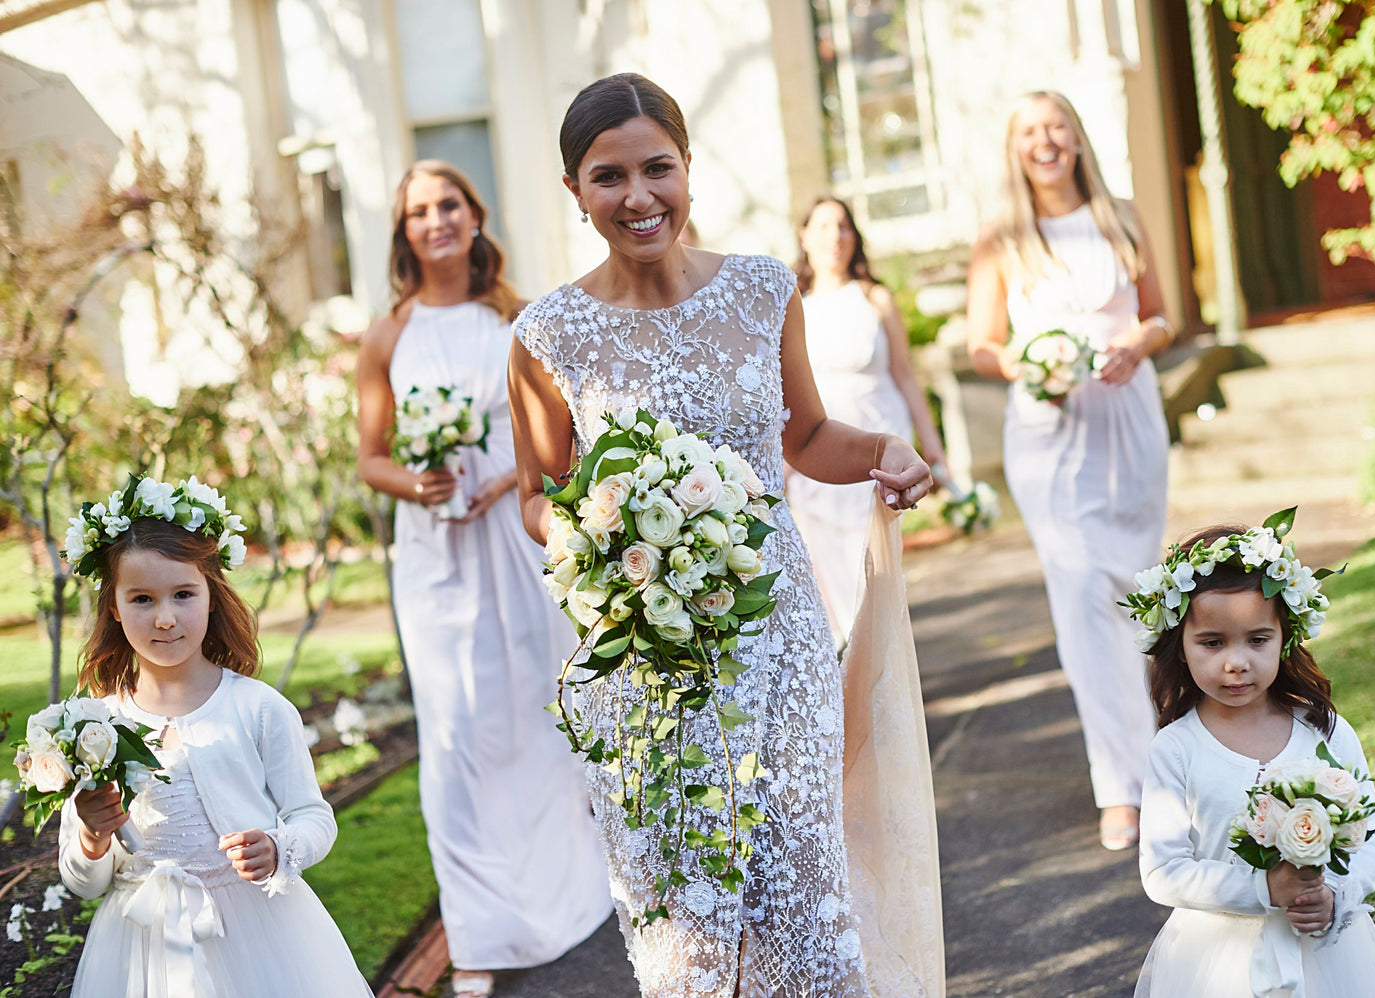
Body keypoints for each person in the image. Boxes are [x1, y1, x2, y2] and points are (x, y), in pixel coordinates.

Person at [508, 73, 938, 997]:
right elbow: (537, 497)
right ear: (577, 192)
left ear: (688, 168)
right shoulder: (548, 335)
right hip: (640, 654)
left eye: (657, 168)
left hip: (773, 635)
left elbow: (808, 438)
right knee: (687, 910)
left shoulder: (760, 291)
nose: (638, 197)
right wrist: (607, 535)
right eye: (608, 176)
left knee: (801, 880)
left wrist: (886, 451)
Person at [355, 161, 611, 996]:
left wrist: (512, 477)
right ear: (405, 231)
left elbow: (562, 434)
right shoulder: (386, 336)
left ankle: (579, 888)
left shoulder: (522, 318)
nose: (436, 221)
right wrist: (417, 482)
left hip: (513, 536)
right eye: (419, 211)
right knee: (457, 736)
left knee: (543, 710)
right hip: (434, 558)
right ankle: (477, 932)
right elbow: (370, 459)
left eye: (449, 205)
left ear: (475, 215)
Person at [57, 476, 372, 997]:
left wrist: (278, 846)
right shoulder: (95, 729)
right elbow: (84, 884)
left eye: (183, 594)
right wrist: (92, 835)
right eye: (141, 598)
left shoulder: (258, 708)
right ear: (113, 605)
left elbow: (314, 817)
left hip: (258, 931)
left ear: (211, 595)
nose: (164, 618)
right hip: (143, 944)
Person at [966, 89, 1173, 850]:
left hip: (1128, 423)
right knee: (1082, 591)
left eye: (1055, 126)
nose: (1045, 141)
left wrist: (1136, 346)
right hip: (1050, 432)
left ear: (1077, 138)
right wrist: (1028, 362)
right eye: (1029, 130)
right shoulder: (1001, 238)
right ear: (1015, 148)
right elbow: (981, 345)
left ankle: (1164, 766)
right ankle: (1118, 786)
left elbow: (1162, 316)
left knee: (1137, 594)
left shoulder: (1120, 215)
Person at [1128, 519, 1375, 997]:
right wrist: (1264, 890)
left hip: (1326, 951)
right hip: (1218, 963)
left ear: (1285, 638)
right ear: (1180, 648)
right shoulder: (1176, 749)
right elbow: (1164, 870)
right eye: (1212, 642)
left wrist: (1337, 895)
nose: (1236, 662)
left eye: (1257, 639)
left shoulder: (1323, 730)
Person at [785, 196, 948, 647]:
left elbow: (906, 376)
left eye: (842, 226)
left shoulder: (874, 298)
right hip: (820, 443)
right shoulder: (791, 302)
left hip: (878, 432)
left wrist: (932, 448)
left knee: (871, 555)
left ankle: (880, 652)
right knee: (827, 559)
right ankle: (846, 654)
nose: (834, 237)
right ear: (804, 236)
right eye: (822, 227)